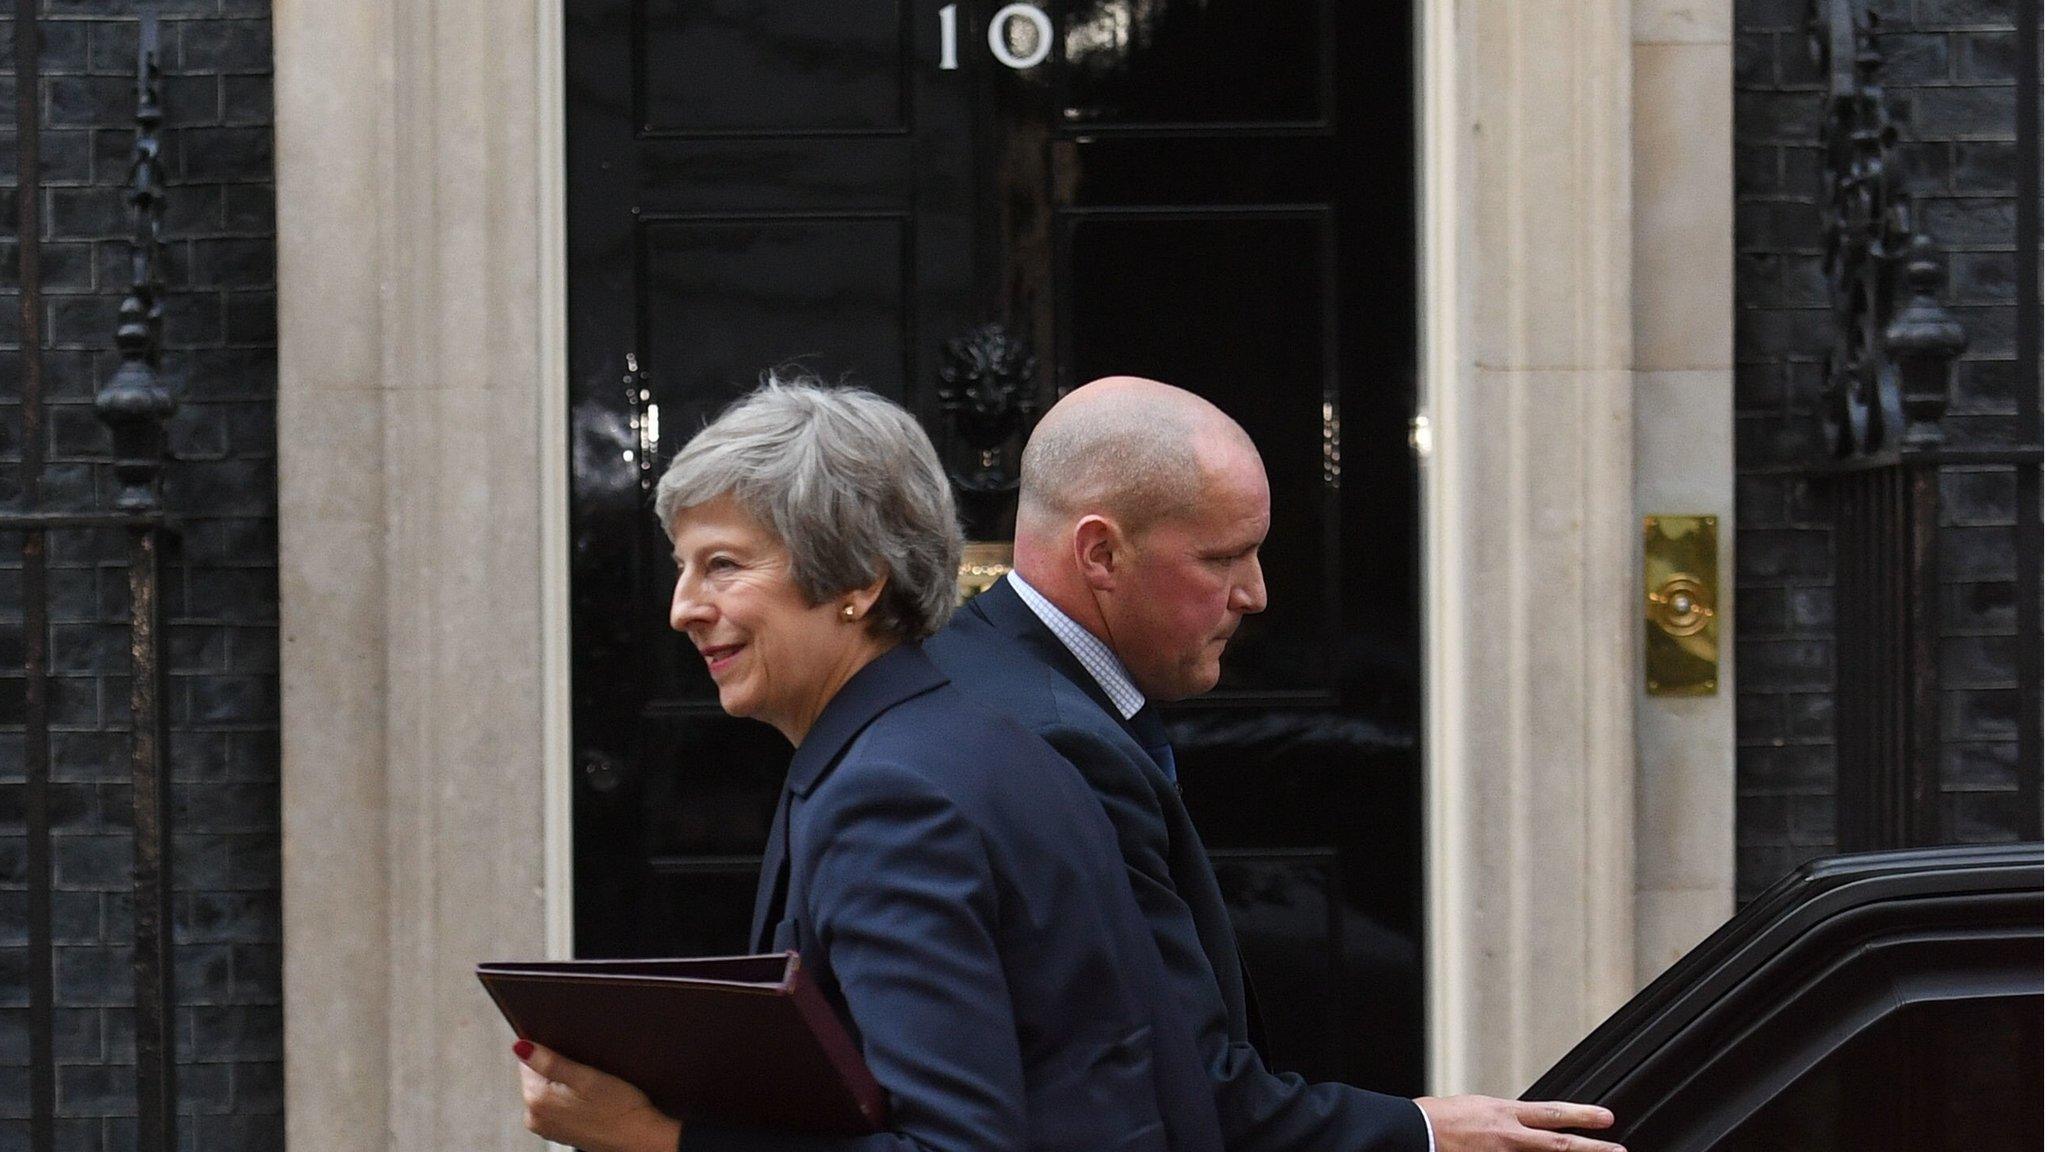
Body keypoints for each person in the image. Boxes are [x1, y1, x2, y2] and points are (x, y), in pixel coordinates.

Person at [513, 379, 1224, 1152]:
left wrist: (657, 1139)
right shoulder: (963, 740)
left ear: (859, 580)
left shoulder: (890, 796)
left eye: (722, 565)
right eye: (684, 567)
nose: (683, 607)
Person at [925, 376, 1626, 1152]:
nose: (1255, 593)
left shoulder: (965, 660)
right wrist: (1426, 1132)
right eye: (1222, 558)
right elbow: (1180, 1091)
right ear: (1100, 553)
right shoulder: (1067, 747)